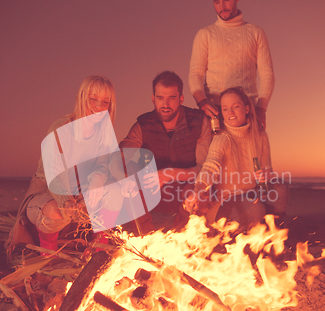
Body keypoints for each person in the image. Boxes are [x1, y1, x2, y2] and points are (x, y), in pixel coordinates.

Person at [6, 75, 123, 262]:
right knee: (57, 212)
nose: (98, 107)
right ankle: (48, 251)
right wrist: (66, 202)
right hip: (50, 194)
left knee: (116, 192)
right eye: (93, 99)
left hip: (78, 197)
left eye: (105, 102)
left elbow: (103, 164)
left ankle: (99, 245)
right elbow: (54, 174)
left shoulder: (103, 134)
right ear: (82, 98)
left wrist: (97, 179)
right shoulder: (61, 128)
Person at [109, 71, 211, 232]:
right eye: (160, 98)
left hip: (184, 192)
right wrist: (125, 177)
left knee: (202, 190)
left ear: (181, 99)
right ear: (153, 99)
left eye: (171, 98)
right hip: (153, 192)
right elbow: (119, 157)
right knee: (130, 178)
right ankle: (146, 240)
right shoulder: (143, 125)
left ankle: (186, 238)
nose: (165, 104)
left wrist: (169, 174)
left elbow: (204, 170)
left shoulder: (199, 122)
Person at [184, 87, 288, 229]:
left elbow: (267, 171)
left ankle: (273, 234)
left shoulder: (261, 136)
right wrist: (197, 191)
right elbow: (209, 168)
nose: (230, 113)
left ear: (246, 109)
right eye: (225, 109)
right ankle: (240, 233)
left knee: (280, 189)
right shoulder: (221, 139)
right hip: (226, 202)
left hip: (253, 194)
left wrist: (267, 175)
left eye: (235, 107)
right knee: (254, 209)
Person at [189, 0, 275, 131]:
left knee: (253, 156)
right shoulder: (205, 34)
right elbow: (195, 74)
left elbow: (267, 75)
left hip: (248, 112)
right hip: (215, 113)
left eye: (226, 0)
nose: (222, 6)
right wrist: (202, 101)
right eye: (216, 2)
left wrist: (261, 108)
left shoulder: (256, 32)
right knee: (215, 155)